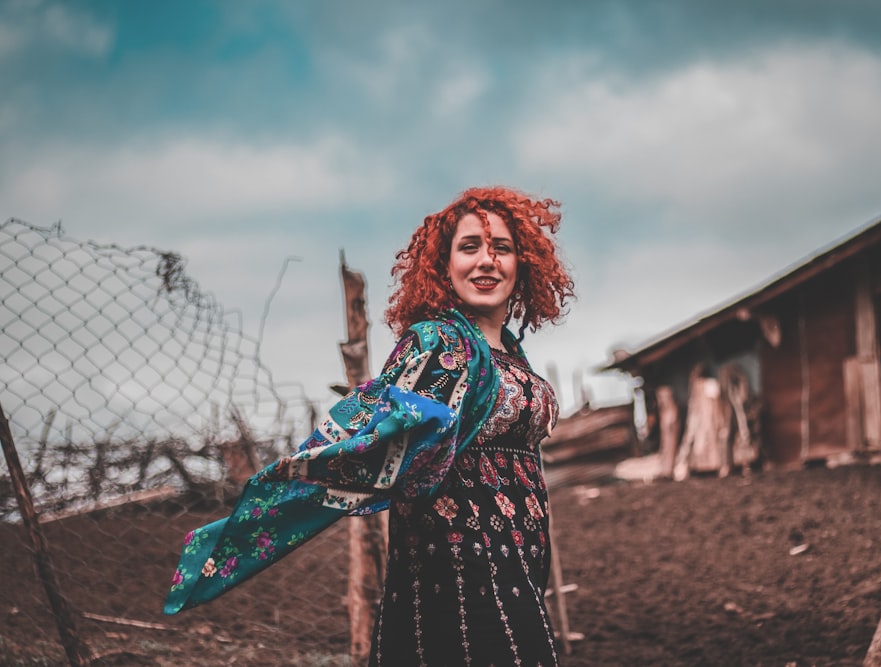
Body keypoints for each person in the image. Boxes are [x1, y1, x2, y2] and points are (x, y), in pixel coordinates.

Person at [164, 186, 574, 667]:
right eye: (470, 248)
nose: (487, 261)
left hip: (521, 561)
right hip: (462, 572)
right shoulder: (438, 342)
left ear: (522, 262)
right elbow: (377, 432)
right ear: (444, 266)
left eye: (501, 248)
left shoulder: (510, 349)